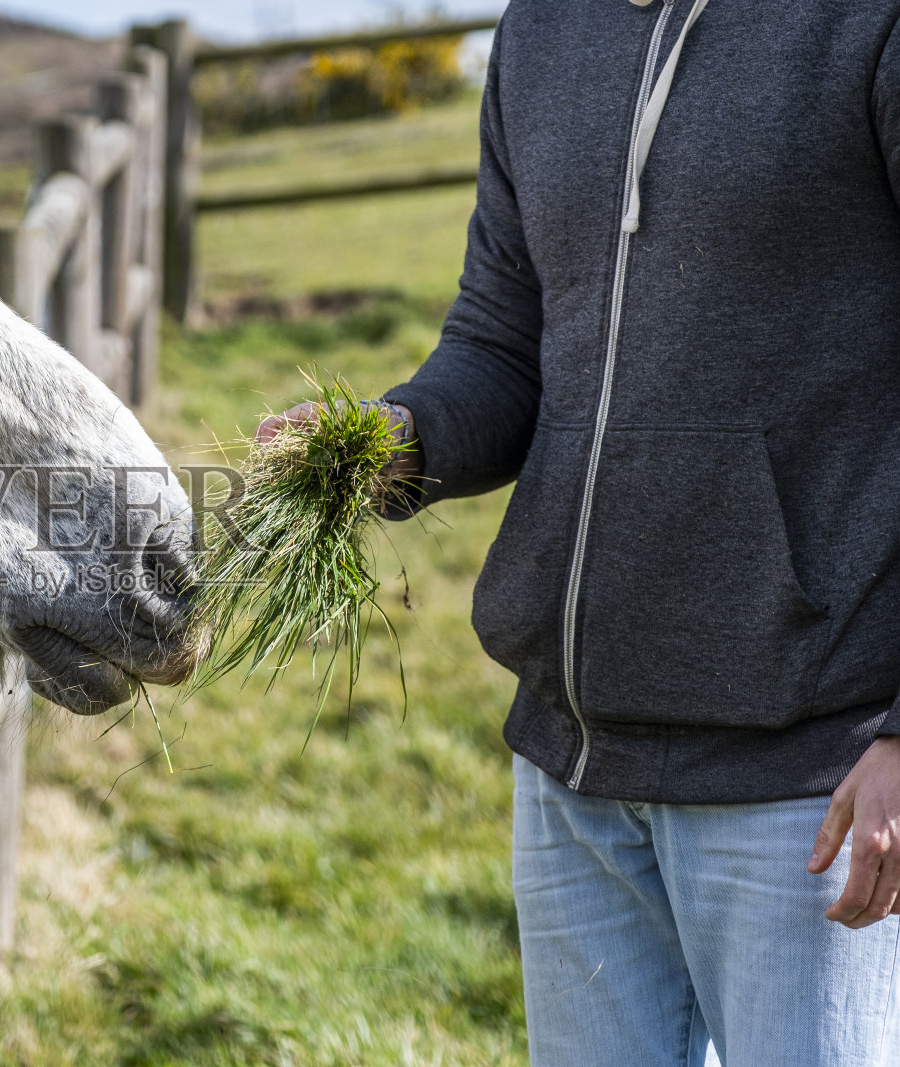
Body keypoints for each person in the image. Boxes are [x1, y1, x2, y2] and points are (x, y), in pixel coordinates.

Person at [258, 2, 900, 1063]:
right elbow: (503, 338)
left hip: (812, 778)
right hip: (570, 771)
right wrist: (391, 439)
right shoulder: (543, 31)